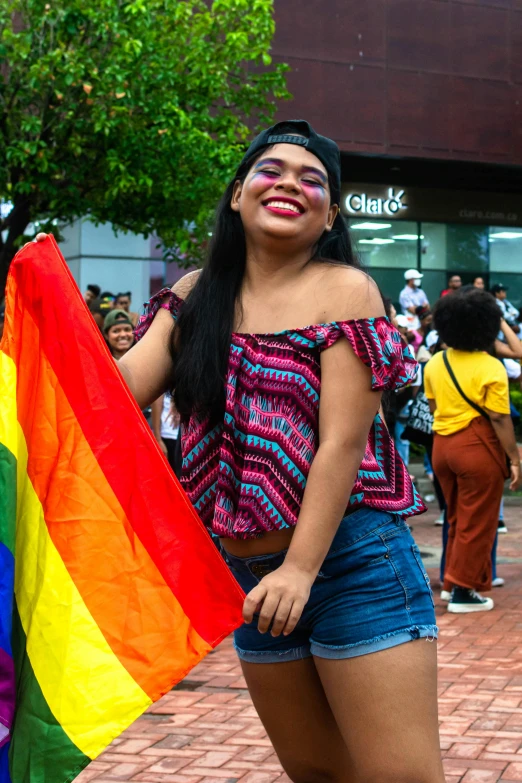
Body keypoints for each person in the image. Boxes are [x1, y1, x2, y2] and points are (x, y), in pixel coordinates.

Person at [34, 120, 443, 782]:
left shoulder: (345, 290)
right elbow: (116, 391)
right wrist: (45, 303)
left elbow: (340, 444)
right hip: (248, 579)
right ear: (236, 195)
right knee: (317, 774)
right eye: (270, 170)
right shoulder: (197, 295)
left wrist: (301, 569)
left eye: (313, 180)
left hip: (351, 562)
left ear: (332, 213)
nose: (289, 184)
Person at [425, 289, 521, 614]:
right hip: (476, 447)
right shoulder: (491, 366)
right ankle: (464, 592)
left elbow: (433, 405)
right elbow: (498, 417)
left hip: (441, 446)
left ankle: (451, 585)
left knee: (455, 517)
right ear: (487, 325)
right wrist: (515, 456)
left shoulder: (436, 361)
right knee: (478, 521)